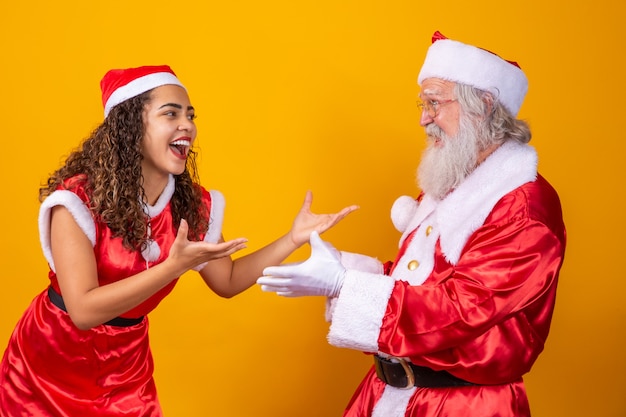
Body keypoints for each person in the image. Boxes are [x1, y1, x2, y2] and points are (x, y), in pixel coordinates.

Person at [0, 65, 357, 416]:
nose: (187, 124)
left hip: (126, 366)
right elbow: (82, 311)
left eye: (190, 114)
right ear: (130, 127)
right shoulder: (77, 201)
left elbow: (228, 281)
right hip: (46, 366)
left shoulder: (190, 206)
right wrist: (172, 267)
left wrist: (293, 238)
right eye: (170, 113)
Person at [257, 31, 566, 417]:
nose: (423, 118)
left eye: (434, 103)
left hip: (463, 406)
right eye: (422, 103)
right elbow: (423, 285)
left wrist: (344, 284)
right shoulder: (453, 183)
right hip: (386, 392)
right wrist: (346, 267)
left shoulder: (522, 204)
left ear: (485, 105)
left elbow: (465, 307)